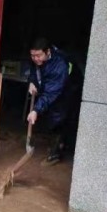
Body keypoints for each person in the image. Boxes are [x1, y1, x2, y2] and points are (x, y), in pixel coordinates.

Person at [26, 37, 83, 166]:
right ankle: (57, 144)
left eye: (38, 55)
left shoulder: (59, 65)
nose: (35, 59)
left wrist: (35, 110)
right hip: (54, 89)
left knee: (59, 119)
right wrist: (32, 82)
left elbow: (51, 93)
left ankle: (56, 153)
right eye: (32, 56)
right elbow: (35, 71)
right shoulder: (38, 60)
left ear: (47, 52)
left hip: (68, 91)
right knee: (52, 117)